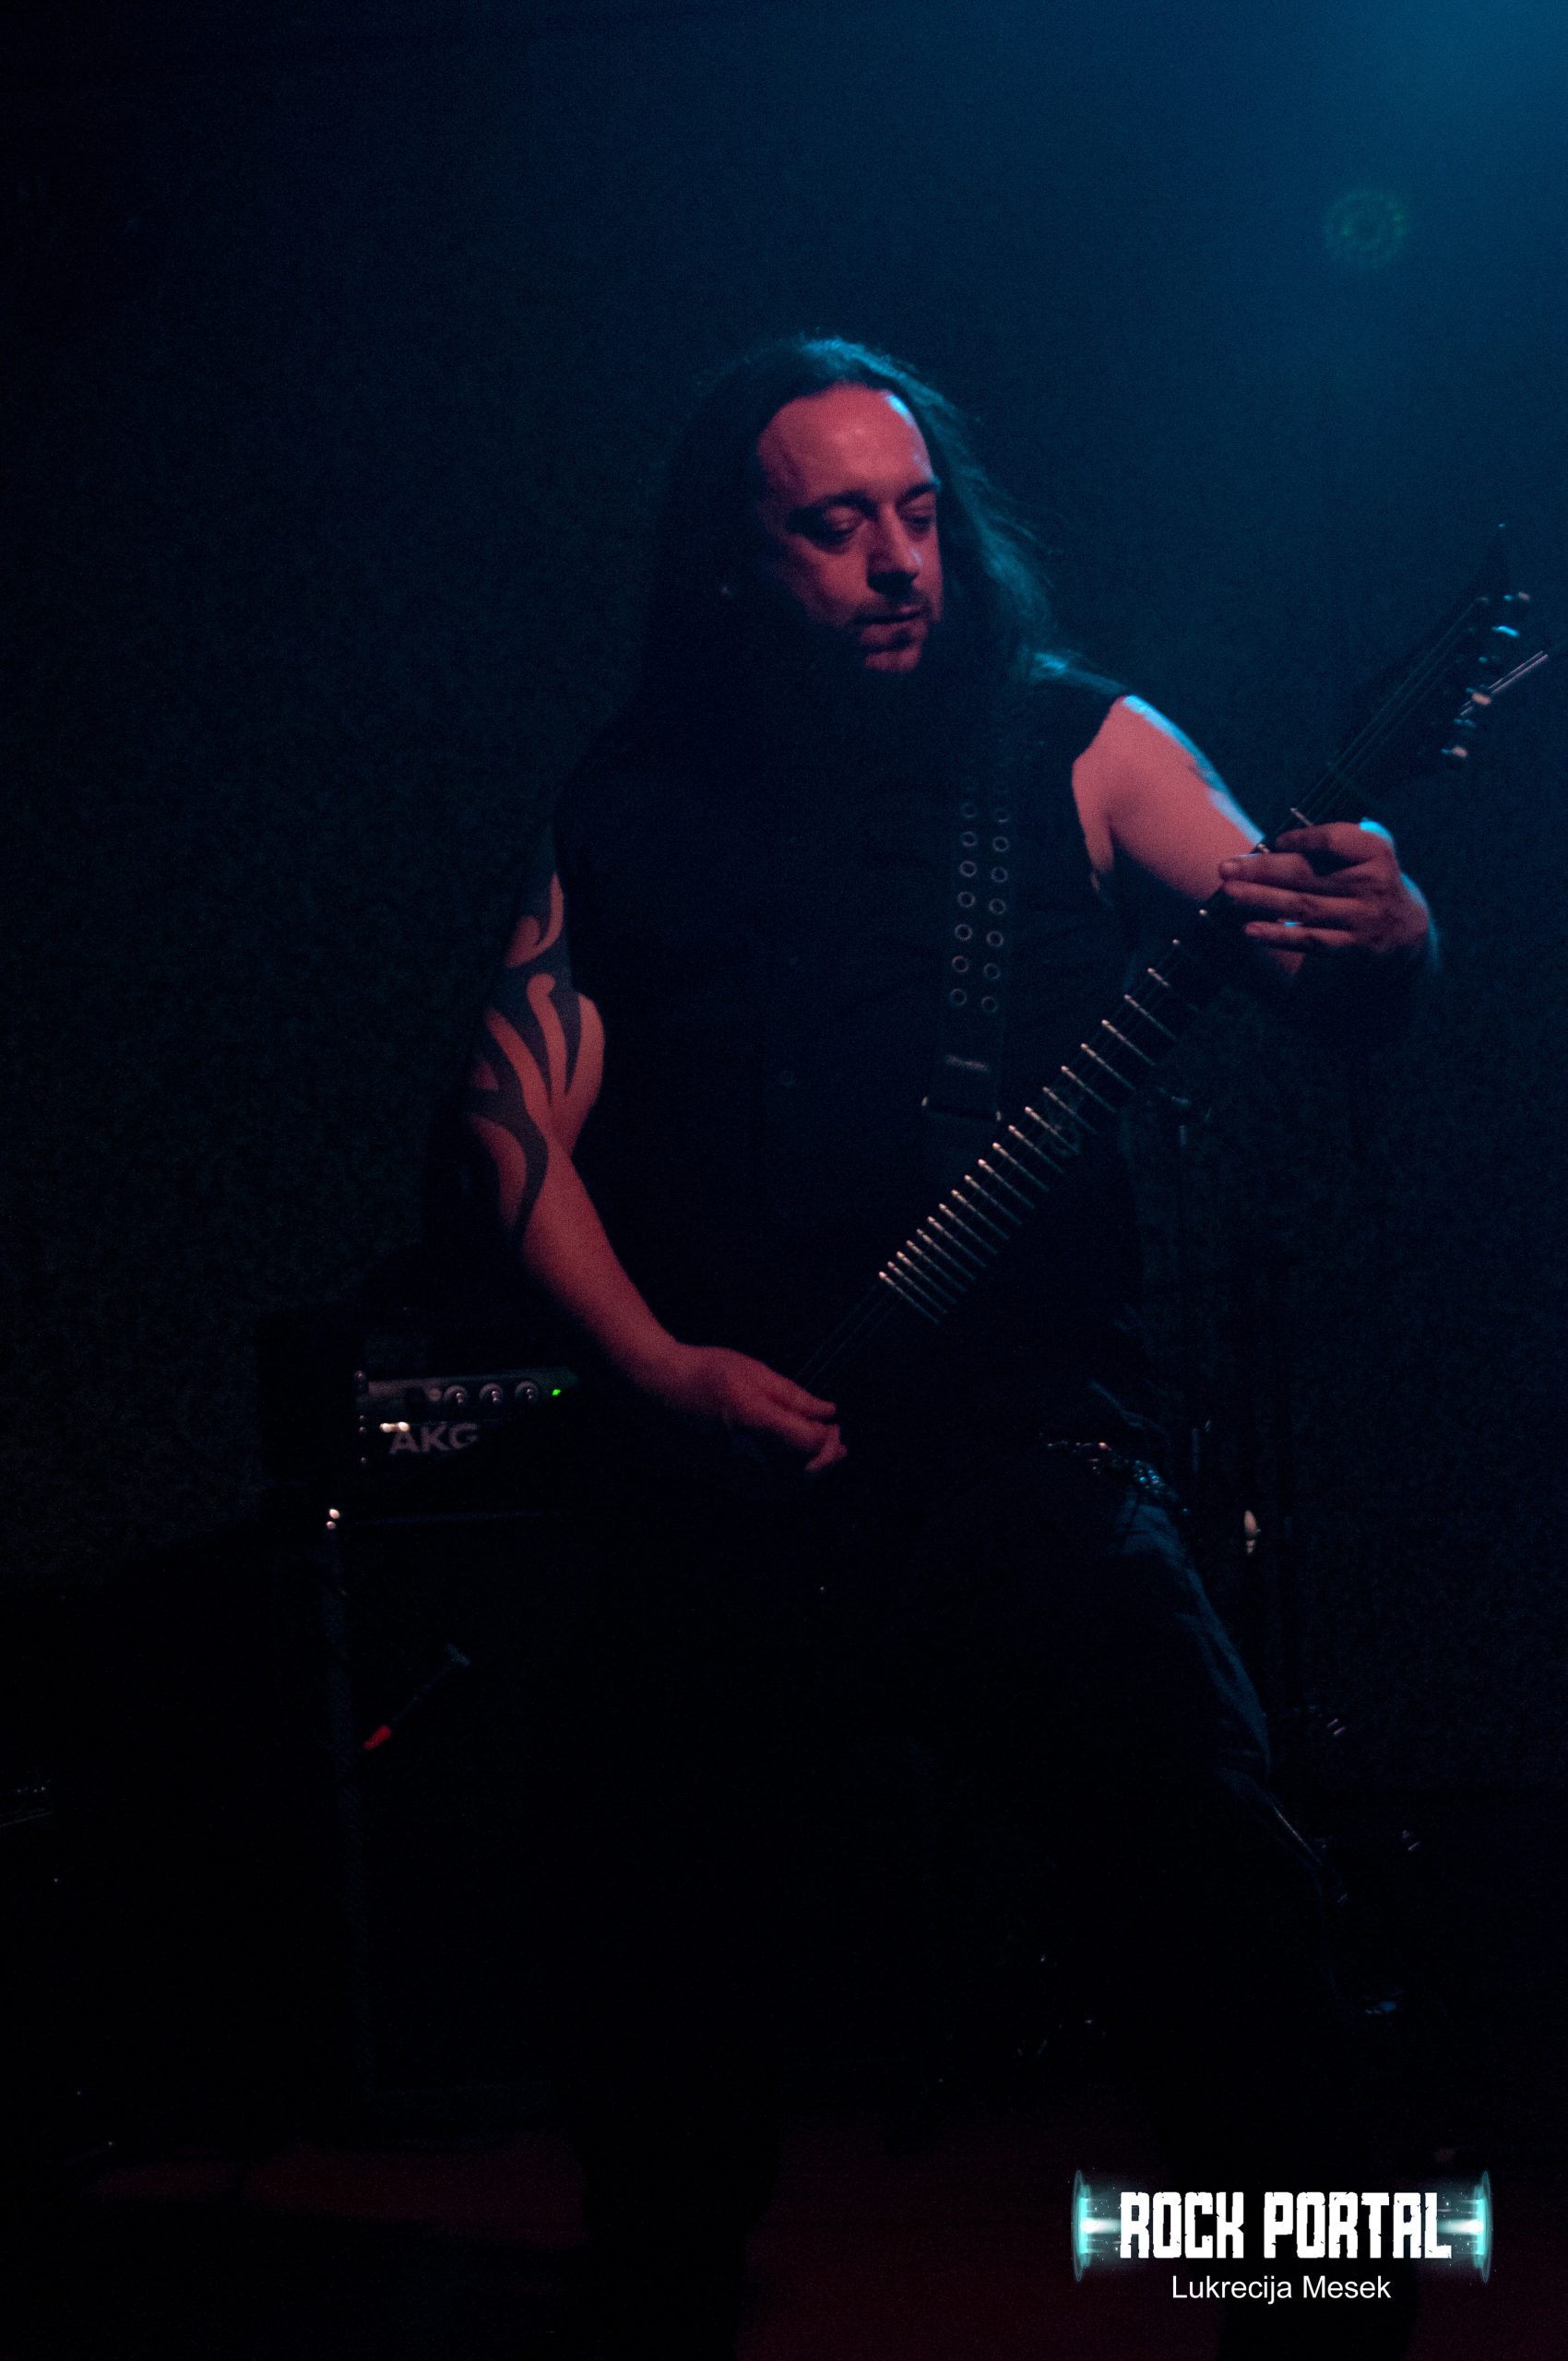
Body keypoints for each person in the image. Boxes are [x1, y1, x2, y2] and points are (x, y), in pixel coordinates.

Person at [460, 338, 1431, 2358]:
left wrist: (1388, 933)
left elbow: (1304, 949)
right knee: (653, 1983)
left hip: (1022, 1457)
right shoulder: (634, 801)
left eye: (916, 513)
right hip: (733, 1463)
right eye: (835, 526)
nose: (897, 560)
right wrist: (658, 1372)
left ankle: (1325, 2321)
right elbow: (507, 1129)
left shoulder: (1081, 744)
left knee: (1231, 1928)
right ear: (738, 562)